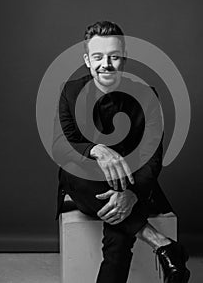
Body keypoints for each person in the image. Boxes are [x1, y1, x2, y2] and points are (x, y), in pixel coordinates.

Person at [52, 21, 190, 283]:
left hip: (132, 182)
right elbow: (60, 145)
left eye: (114, 57)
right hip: (82, 182)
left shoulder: (147, 96)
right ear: (87, 60)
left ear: (123, 60)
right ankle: (162, 243)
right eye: (98, 57)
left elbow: (152, 156)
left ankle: (164, 246)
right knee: (80, 175)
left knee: (118, 230)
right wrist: (95, 150)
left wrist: (131, 194)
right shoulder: (69, 91)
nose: (106, 64)